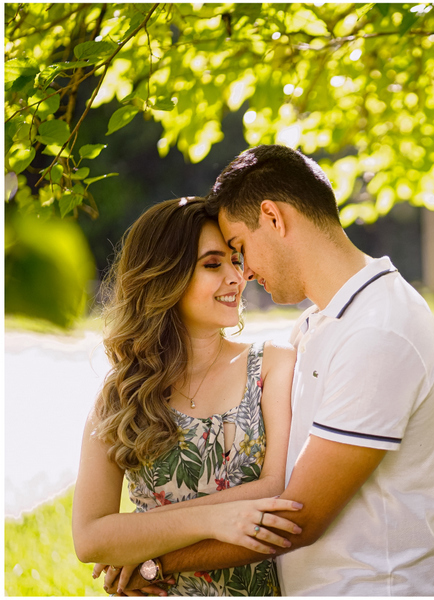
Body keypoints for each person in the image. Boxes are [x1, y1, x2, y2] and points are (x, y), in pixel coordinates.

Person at [124, 145, 434, 595]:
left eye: (239, 248)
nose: (243, 273)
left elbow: (299, 518)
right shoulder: (316, 324)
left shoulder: (380, 329)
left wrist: (157, 564)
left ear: (273, 218)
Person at [72, 197, 302, 596]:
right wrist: (212, 521)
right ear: (166, 276)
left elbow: (275, 489)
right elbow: (90, 539)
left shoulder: (272, 364)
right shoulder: (123, 394)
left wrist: (141, 540)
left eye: (236, 260)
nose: (236, 277)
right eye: (213, 264)